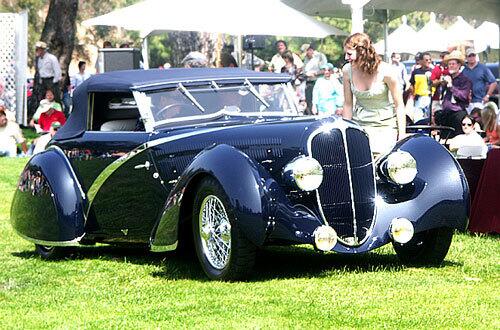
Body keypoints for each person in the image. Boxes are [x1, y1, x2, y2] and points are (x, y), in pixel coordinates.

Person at [341, 33, 406, 156]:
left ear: (362, 52)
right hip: (359, 126)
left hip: (385, 127)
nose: (346, 58)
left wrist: (402, 135)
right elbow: (348, 104)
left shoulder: (387, 71)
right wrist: (345, 131)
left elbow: (399, 105)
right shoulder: (347, 70)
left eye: (349, 54)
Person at [434, 50, 472, 138]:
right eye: (449, 64)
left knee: (457, 139)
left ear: (459, 65)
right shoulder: (447, 78)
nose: (450, 66)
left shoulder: (465, 80)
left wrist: (451, 86)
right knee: (444, 139)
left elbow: (463, 96)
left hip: (457, 114)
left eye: (453, 64)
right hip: (446, 114)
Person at [462, 48, 497, 113]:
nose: (472, 57)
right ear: (466, 57)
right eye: (469, 56)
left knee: (479, 121)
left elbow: (493, 82)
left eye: (473, 55)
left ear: (476, 56)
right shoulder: (463, 70)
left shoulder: (483, 68)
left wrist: (487, 95)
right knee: (468, 121)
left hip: (480, 101)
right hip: (467, 103)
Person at [302, 43, 327, 115]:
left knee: (317, 101)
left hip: (317, 81)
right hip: (308, 82)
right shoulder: (306, 58)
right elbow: (304, 70)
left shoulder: (320, 56)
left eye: (307, 52)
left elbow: (325, 70)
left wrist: (314, 73)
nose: (306, 55)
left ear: (310, 50)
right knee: (309, 101)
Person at [409, 51, 432, 121]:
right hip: (418, 99)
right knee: (417, 119)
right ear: (421, 61)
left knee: (428, 119)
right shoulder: (416, 72)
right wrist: (412, 95)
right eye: (426, 60)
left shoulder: (433, 72)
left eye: (430, 60)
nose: (428, 61)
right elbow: (412, 84)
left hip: (429, 98)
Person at [430, 51, 450, 117]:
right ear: (442, 58)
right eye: (446, 59)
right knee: (435, 116)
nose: (448, 61)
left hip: (448, 99)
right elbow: (432, 82)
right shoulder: (436, 69)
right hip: (437, 98)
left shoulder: (451, 69)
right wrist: (440, 81)